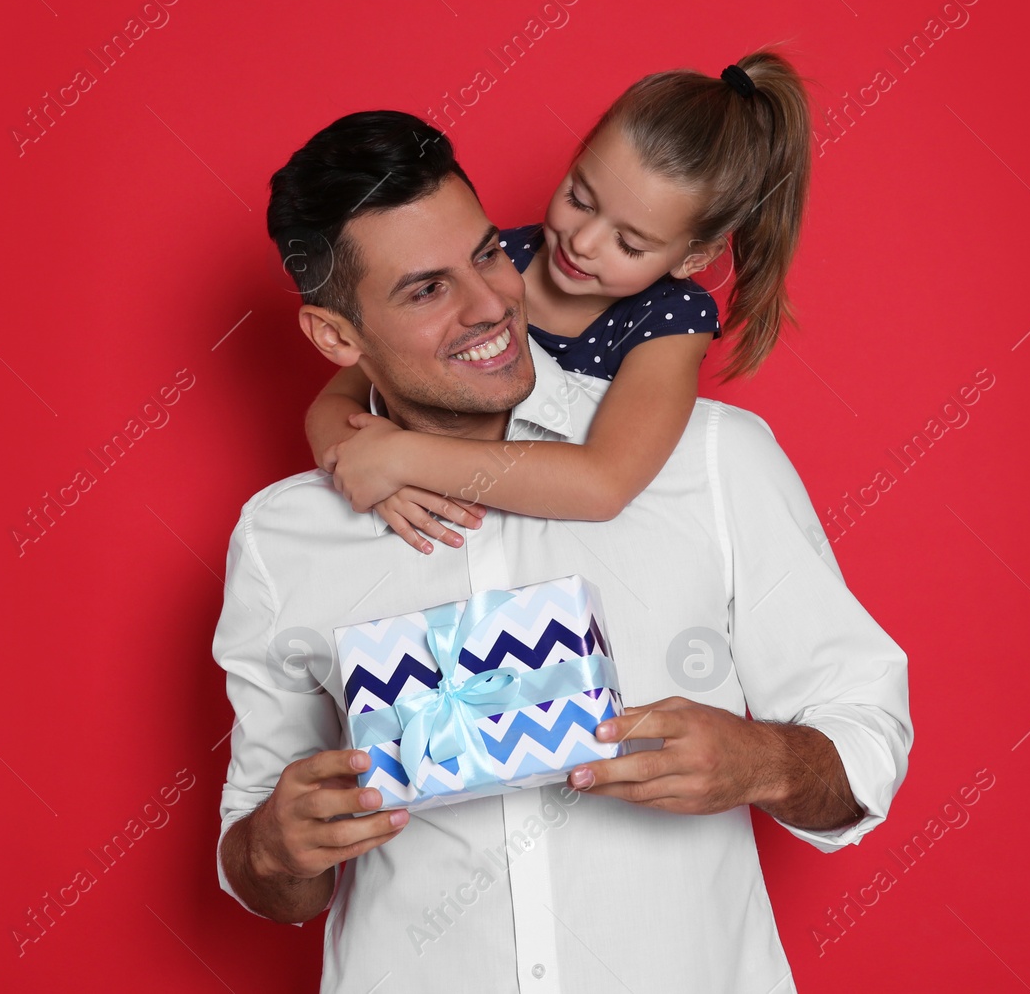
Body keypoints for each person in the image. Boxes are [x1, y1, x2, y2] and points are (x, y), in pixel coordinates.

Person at [214, 108, 911, 994]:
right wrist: (278, 845)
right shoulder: (284, 539)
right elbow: (260, 865)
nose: (492, 303)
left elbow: (868, 732)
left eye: (488, 254)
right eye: (427, 290)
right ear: (338, 340)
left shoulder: (710, 458)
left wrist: (763, 760)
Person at [304, 51, 812, 553]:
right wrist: (357, 464)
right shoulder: (493, 264)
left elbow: (603, 483)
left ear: (693, 257)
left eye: (629, 243)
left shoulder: (671, 319)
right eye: (579, 199)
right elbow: (335, 400)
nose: (582, 242)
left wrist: (400, 459)